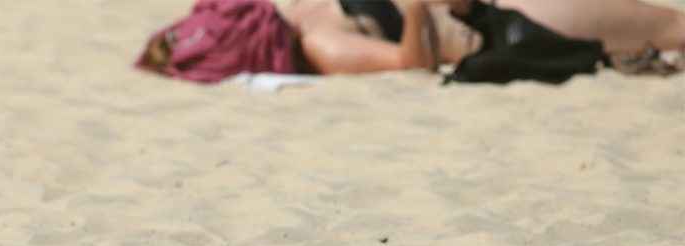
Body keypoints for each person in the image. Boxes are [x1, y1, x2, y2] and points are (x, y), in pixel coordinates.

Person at [286, 0, 685, 76]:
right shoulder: (321, 44)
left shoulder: (299, 8)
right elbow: (409, 63)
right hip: (500, 23)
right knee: (672, 27)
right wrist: (417, 9)